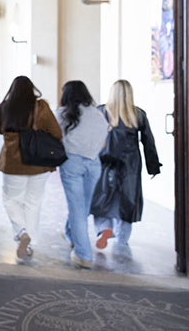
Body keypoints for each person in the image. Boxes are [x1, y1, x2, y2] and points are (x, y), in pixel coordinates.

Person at [0, 76, 62, 260]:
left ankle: (22, 232)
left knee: (11, 200)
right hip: (39, 163)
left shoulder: (4, 107)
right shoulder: (41, 107)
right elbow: (56, 132)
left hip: (13, 163)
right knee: (33, 202)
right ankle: (29, 244)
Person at [91, 79, 161, 249]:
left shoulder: (101, 111)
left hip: (105, 161)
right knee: (127, 199)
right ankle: (122, 239)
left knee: (102, 197)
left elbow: (90, 137)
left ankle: (104, 229)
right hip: (130, 163)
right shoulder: (138, 114)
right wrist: (153, 166)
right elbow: (148, 142)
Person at [55, 81, 109, 269]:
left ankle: (83, 254)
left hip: (72, 163)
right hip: (94, 163)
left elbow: (54, 138)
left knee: (77, 208)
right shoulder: (97, 114)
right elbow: (104, 143)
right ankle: (70, 234)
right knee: (83, 207)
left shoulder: (62, 114)